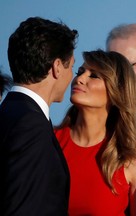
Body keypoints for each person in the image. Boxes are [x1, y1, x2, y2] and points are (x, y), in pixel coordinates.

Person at [0, 17, 78, 215]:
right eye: (72, 67)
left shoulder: (10, 113)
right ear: (57, 67)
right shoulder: (31, 126)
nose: (72, 77)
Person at [54, 49, 136, 216]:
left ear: (117, 91)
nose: (80, 79)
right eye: (80, 72)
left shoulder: (131, 154)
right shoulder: (50, 142)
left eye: (94, 75)